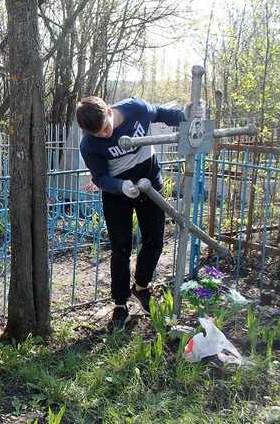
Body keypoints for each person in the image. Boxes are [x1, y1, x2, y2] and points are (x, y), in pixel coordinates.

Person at [76, 95, 205, 330]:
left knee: (155, 240)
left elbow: (162, 114)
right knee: (120, 248)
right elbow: (99, 177)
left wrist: (186, 116)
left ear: (108, 110)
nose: (104, 135)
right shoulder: (89, 144)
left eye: (106, 128)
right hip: (117, 193)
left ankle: (142, 287)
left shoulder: (136, 109)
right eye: (98, 134)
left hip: (150, 183)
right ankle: (120, 306)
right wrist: (121, 187)